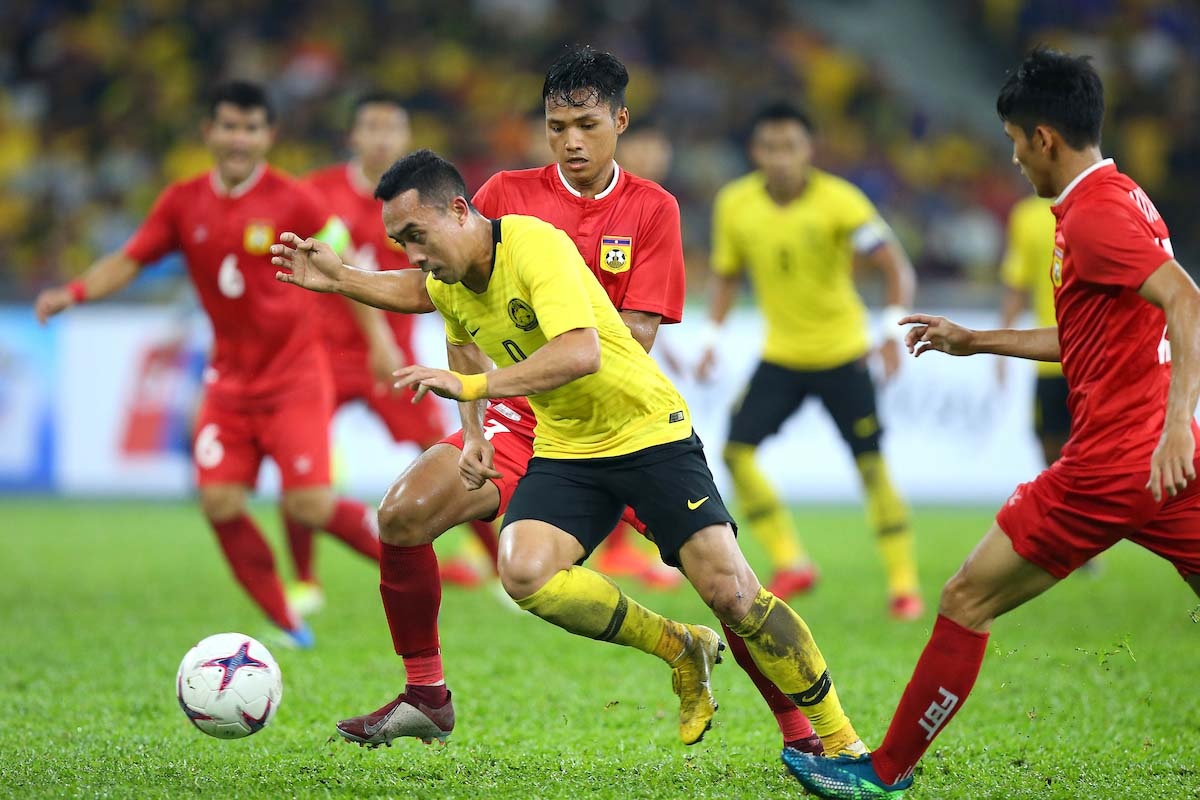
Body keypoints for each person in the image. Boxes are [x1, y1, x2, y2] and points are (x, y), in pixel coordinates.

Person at [279, 47, 825, 755]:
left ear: (620, 121)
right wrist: (344, 278)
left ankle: (801, 731)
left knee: (726, 587)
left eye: (587, 125)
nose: (571, 141)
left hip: (616, 423)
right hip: (518, 418)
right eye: (556, 125)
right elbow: (439, 287)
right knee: (404, 515)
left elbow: (631, 337)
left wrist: (514, 363)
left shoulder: (651, 209)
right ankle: (426, 694)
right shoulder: (504, 193)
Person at [783, 47, 1200, 798]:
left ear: (1044, 137)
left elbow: (1187, 300)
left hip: (1111, 464)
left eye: (1013, 143)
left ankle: (883, 773)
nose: (1012, 161)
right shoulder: (1124, 197)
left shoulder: (1097, 215)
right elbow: (1090, 339)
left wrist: (1176, 421)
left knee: (965, 599)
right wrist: (976, 341)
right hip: (1168, 465)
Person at [33, 81, 383, 648]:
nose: (239, 138)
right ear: (209, 132)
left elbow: (347, 270)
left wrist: (380, 341)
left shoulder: (297, 201)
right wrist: (74, 291)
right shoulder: (182, 201)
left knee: (311, 504)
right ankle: (286, 619)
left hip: (295, 377)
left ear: (269, 135)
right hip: (228, 384)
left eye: (250, 128)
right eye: (229, 126)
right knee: (219, 500)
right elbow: (131, 258)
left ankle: (405, 561)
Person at [696, 102, 922, 619]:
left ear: (808, 150)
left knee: (870, 465)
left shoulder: (840, 201)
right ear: (755, 152)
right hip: (783, 356)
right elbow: (728, 274)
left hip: (843, 354)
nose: (779, 159)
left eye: (790, 147)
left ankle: (904, 585)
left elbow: (895, 267)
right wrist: (711, 336)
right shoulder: (736, 203)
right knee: (735, 452)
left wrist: (890, 330)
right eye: (770, 148)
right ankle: (790, 559)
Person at [284, 92, 493, 610]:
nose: (380, 138)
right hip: (321, 358)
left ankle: (495, 564)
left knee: (455, 452)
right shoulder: (317, 192)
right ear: (354, 136)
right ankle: (305, 582)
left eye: (390, 129)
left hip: (394, 360)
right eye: (370, 128)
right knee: (302, 465)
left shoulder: (424, 200)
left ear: (404, 137)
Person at [998, 193, 1066, 466]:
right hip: (1049, 358)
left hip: (1096, 360)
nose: (1018, 160)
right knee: (1052, 456)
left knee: (1093, 454)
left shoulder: (1102, 205)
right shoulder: (1026, 216)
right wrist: (1002, 350)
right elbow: (1018, 286)